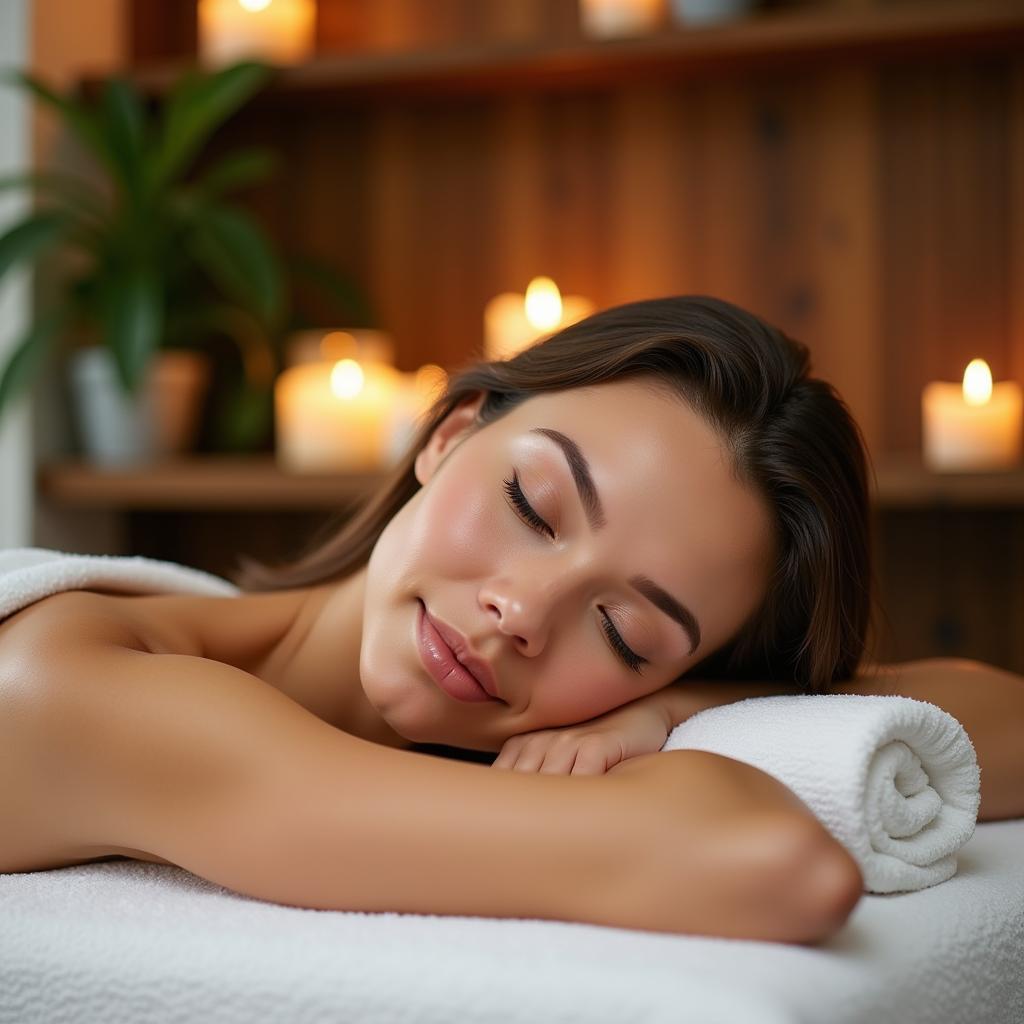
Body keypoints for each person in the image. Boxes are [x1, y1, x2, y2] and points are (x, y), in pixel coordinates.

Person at [0, 295, 1020, 944]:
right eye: (533, 505)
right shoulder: (78, 687)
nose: (521, 611)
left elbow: (993, 716)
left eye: (626, 632)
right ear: (446, 437)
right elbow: (777, 865)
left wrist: (680, 705)